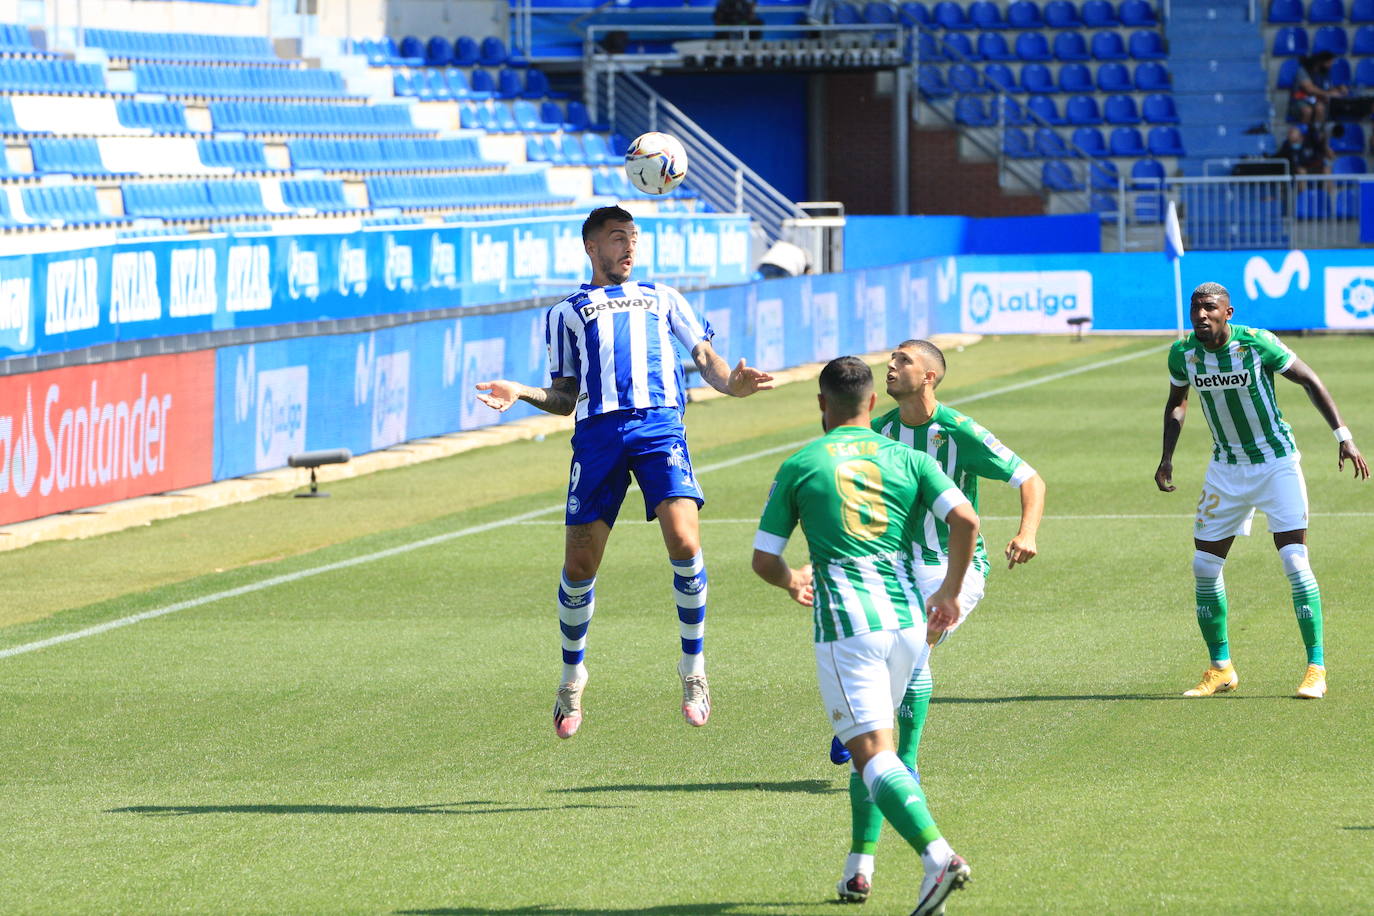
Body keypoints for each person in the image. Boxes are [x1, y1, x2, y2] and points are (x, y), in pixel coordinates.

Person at [475, 205, 774, 738]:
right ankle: (572, 676)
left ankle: (694, 668)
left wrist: (732, 383)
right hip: (597, 436)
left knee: (684, 541)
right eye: (617, 239)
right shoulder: (567, 312)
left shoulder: (664, 297)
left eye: (633, 238)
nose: (629, 247)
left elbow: (705, 358)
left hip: (660, 425)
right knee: (581, 564)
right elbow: (565, 396)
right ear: (592, 248)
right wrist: (521, 391)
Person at [752, 356, 979, 916]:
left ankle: (938, 858)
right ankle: (860, 867)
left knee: (873, 753)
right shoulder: (907, 456)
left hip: (847, 627)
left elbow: (764, 558)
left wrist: (790, 580)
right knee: (875, 754)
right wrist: (949, 592)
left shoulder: (802, 462)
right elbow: (967, 521)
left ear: (823, 406)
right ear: (873, 403)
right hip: (908, 623)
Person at [830, 338, 1046, 903]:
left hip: (955, 570)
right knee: (891, 653)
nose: (891, 366)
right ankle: (876, 741)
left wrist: (1026, 532)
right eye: (891, 360)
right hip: (897, 569)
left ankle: (907, 761)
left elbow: (1030, 478)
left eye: (902, 361)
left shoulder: (958, 433)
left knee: (919, 641)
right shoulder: (877, 431)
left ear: (928, 378)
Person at [1154, 282, 1368, 700]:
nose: (1201, 315)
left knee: (1293, 559)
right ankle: (1221, 669)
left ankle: (1316, 668)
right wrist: (1166, 457)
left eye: (1210, 308)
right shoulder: (1184, 354)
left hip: (1276, 464)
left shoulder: (1256, 344)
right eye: (1196, 308)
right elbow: (1177, 401)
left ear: (1227, 313)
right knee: (1203, 566)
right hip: (1226, 470)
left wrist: (1343, 435)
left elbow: (1309, 380)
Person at [1287, 51, 1347, 127]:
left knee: (1320, 108)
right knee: (1307, 111)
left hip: (1315, 100)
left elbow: (1327, 88)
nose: (1330, 65)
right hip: (1299, 100)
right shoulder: (1303, 71)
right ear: (1321, 62)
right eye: (1329, 63)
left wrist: (1339, 88)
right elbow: (1309, 89)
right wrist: (1329, 94)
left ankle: (1317, 133)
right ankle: (1303, 133)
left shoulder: (1325, 73)